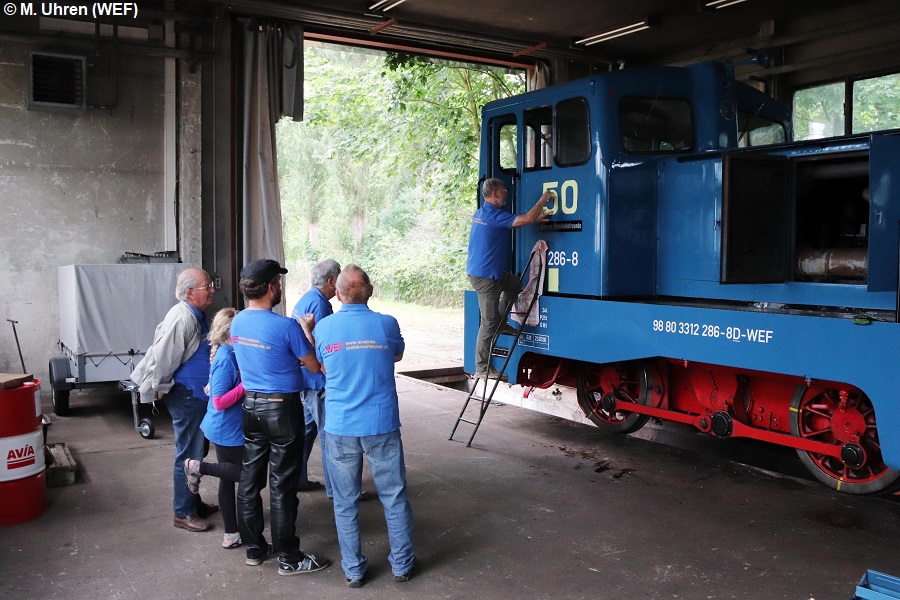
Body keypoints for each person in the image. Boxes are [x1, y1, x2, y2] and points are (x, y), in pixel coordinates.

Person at [313, 264, 415, 588]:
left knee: (345, 502)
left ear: (338, 293)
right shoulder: (387, 324)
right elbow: (396, 356)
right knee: (394, 496)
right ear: (369, 291)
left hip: (340, 426)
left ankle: (354, 571)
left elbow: (325, 367)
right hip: (381, 423)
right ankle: (402, 566)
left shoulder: (324, 328)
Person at [230, 258, 331, 576]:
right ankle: (289, 557)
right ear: (272, 287)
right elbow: (313, 366)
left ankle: (255, 549)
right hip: (282, 410)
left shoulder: (237, 323)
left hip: (251, 409)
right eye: (279, 282)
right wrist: (307, 330)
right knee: (282, 485)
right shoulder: (286, 326)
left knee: (249, 481)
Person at [130, 267, 218, 532]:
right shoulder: (182, 319)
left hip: (196, 395)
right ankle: (183, 512)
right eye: (207, 286)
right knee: (189, 453)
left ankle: (192, 501)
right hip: (187, 396)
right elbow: (163, 360)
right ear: (190, 293)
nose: (212, 289)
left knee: (197, 451)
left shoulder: (195, 314)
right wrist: (158, 388)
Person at [465, 178, 551, 379]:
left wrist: (534, 219)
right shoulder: (492, 215)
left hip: (490, 272)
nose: (506, 192)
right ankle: (482, 368)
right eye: (503, 190)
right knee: (488, 322)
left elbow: (514, 223)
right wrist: (543, 199)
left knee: (516, 284)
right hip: (484, 277)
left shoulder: (485, 213)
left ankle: (502, 323)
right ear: (495, 193)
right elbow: (525, 219)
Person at [184, 308, 245, 549]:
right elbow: (219, 400)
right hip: (227, 429)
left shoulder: (231, 353)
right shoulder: (226, 358)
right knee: (249, 475)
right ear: (232, 333)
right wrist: (247, 386)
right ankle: (198, 466)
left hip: (229, 428)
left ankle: (231, 534)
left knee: (228, 479)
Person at [291, 258, 341, 495]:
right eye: (339, 279)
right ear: (331, 281)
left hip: (303, 380)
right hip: (316, 382)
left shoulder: (306, 299)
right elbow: (321, 349)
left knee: (305, 433)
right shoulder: (320, 305)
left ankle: (297, 479)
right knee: (329, 435)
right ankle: (336, 489)